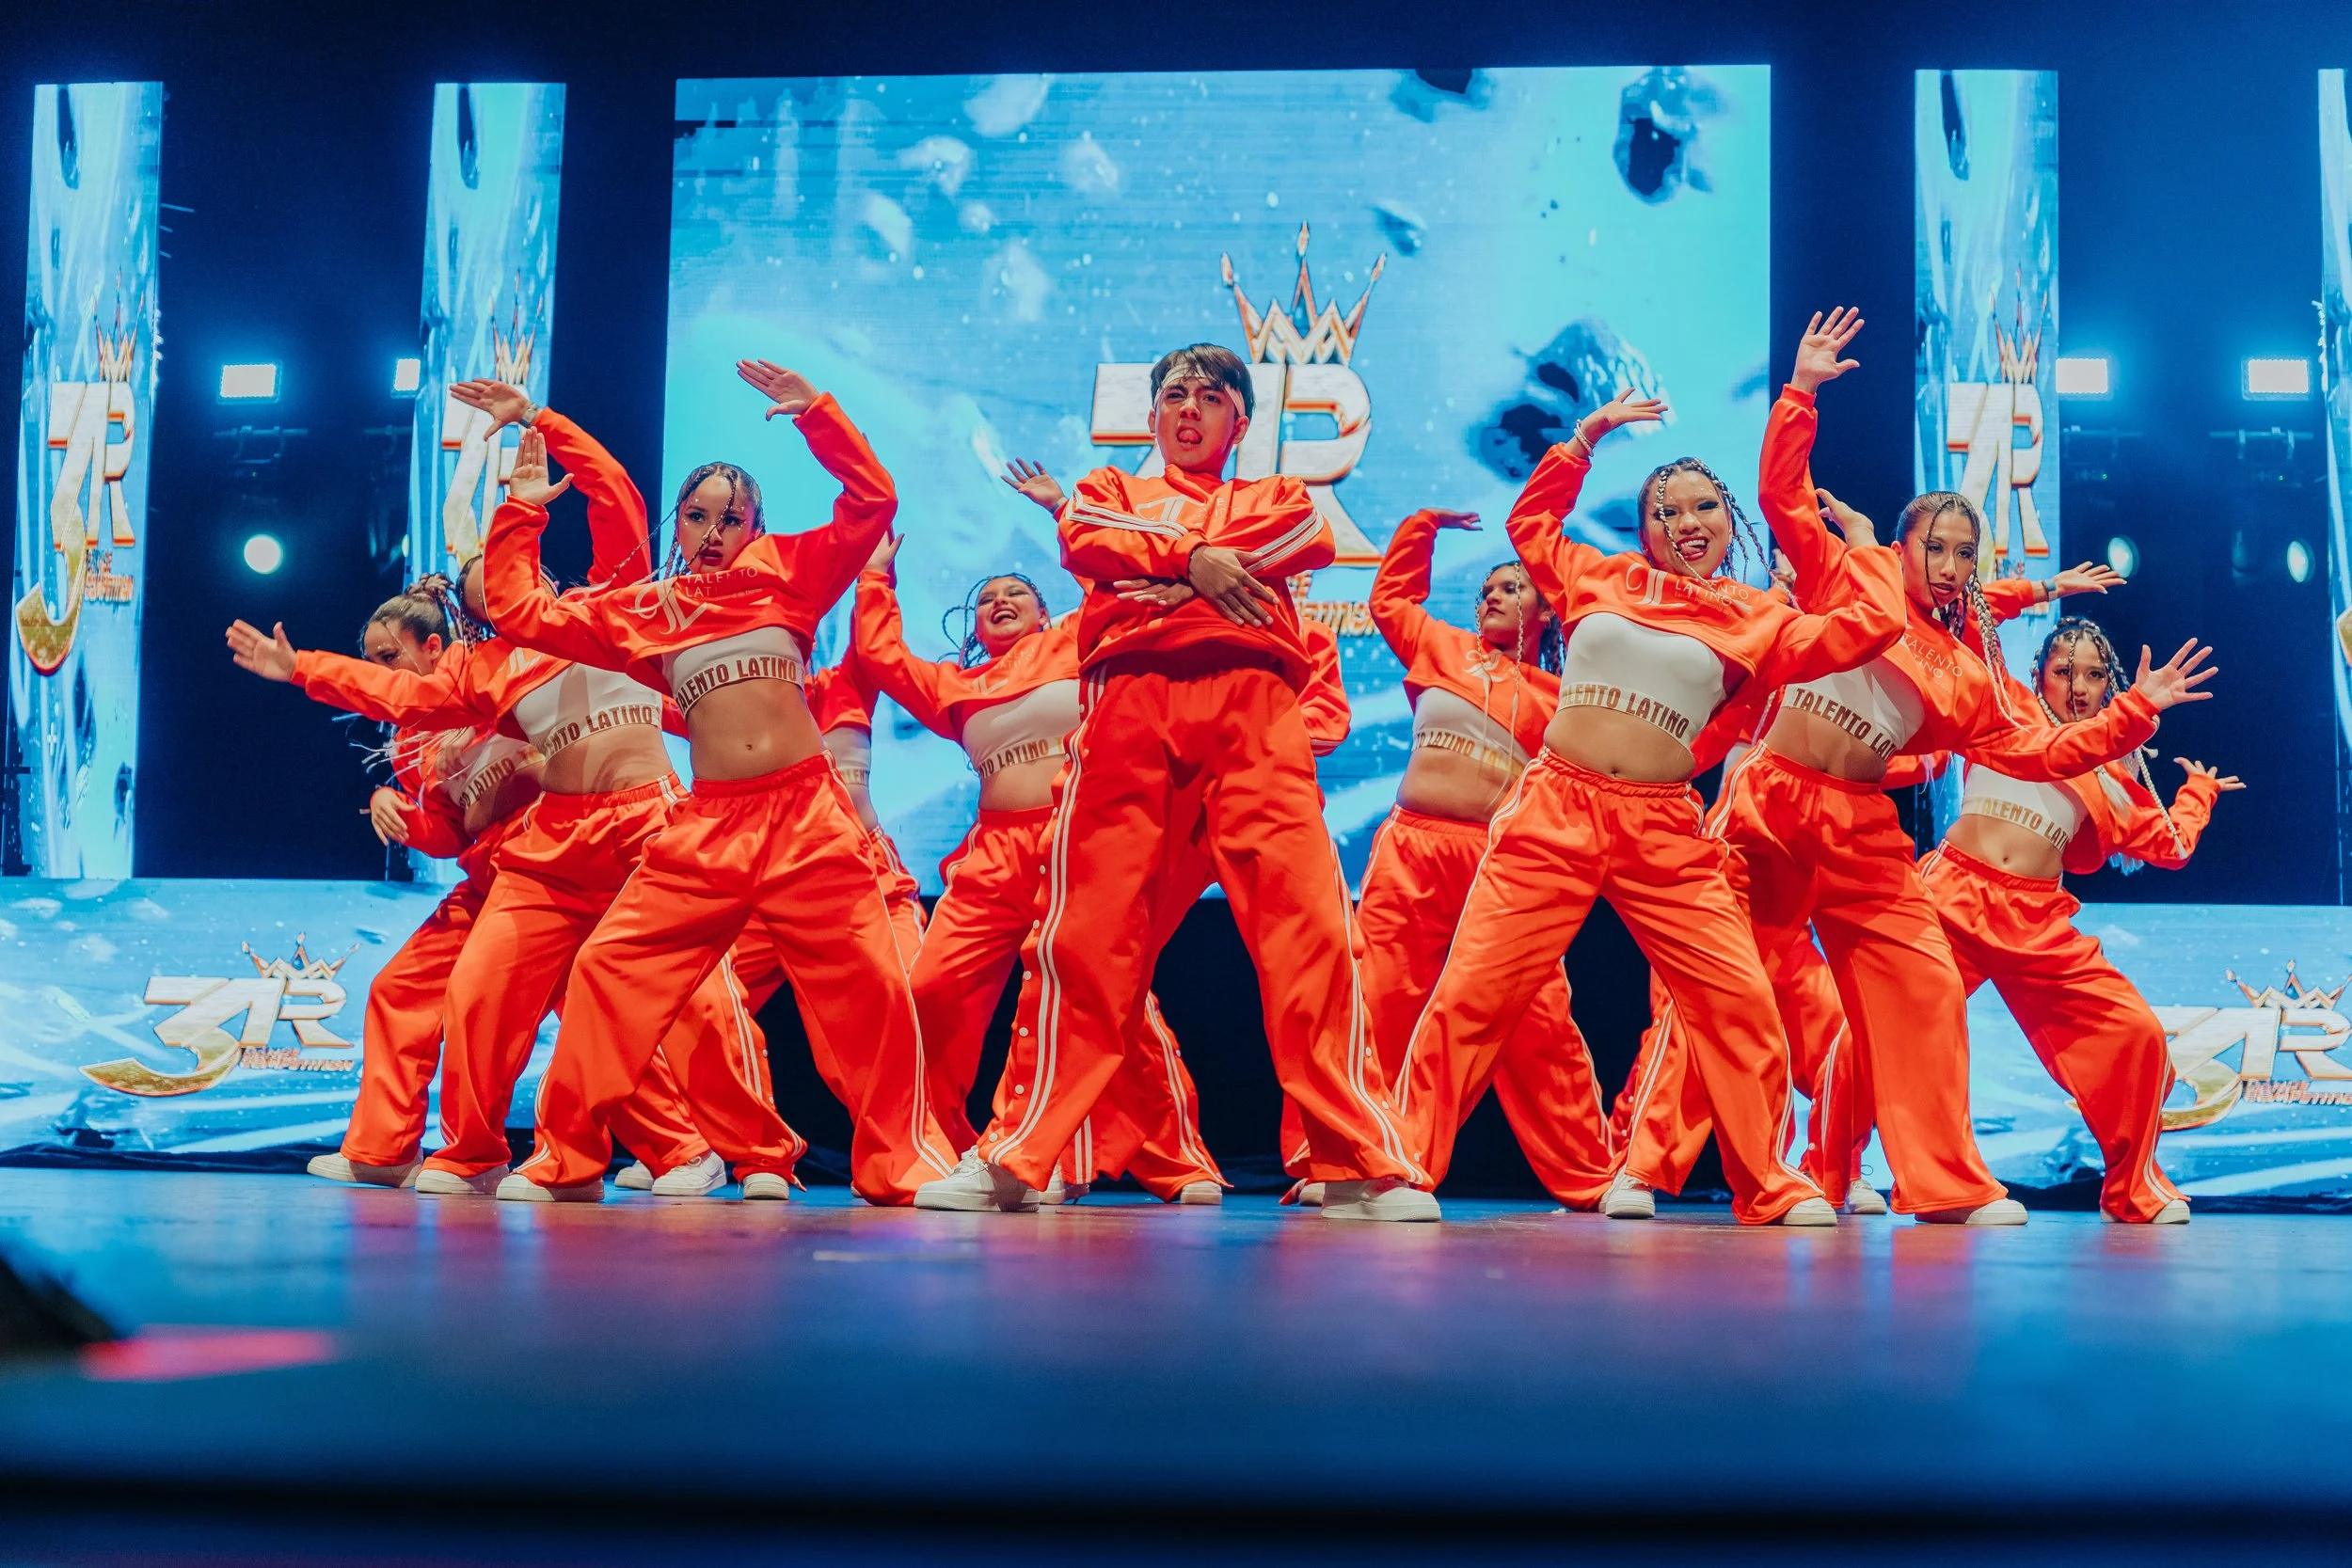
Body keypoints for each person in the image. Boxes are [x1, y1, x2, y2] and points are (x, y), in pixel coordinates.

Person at [1615, 309, 2216, 1225]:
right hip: (1770, 799)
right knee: (1724, 981)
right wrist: (1802, 390)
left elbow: (2034, 749)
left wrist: (2137, 714)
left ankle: (1943, 1183)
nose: (1945, 563)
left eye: (1961, 554)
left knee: (1921, 987)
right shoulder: (1849, 574)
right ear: (1901, 545)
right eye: (1931, 545)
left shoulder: (1965, 672)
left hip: (1858, 826)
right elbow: (1782, 498)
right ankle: (1645, 1167)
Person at [229, 382, 799, 1200]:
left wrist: (542, 422)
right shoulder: (488, 670)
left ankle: (761, 1157)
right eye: (481, 586)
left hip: (647, 827)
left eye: (503, 572)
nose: (491, 589)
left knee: (702, 1002)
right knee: (479, 991)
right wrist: (305, 669)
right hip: (556, 846)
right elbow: (400, 697)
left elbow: (619, 496)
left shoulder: (612, 601)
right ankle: (473, 1154)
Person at [914, 342, 1429, 1220]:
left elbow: (1300, 536)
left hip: (1256, 711)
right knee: (1085, 935)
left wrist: (1151, 575)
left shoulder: (1274, 495)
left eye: (1210, 397)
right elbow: (1083, 533)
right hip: (1128, 707)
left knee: (1308, 934)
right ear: (1152, 416)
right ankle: (1019, 1155)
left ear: (1240, 420)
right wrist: (1200, 563)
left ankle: (1356, 1159)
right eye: (1174, 396)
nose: (1189, 409)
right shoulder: (1108, 490)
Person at [1398, 382, 1913, 1227]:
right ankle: (1407, 1168)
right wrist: (1586, 436)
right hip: (1555, 808)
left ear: (1727, 515)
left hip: (1663, 828)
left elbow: (1868, 629)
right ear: (1647, 530)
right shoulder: (1600, 574)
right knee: (1475, 993)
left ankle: (1768, 1183)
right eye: (1667, 510)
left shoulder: (1758, 619)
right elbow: (1528, 526)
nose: (1687, 521)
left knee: (1740, 1005)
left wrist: (1862, 550)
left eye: (1704, 504)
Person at [480, 360, 957, 1204]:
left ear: (754, 526)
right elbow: (523, 612)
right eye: (697, 515)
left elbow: (872, 501)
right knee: (607, 970)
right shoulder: (649, 610)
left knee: (873, 991)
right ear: (678, 522)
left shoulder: (789, 572)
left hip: (808, 815)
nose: (712, 529)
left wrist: (817, 414)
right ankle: (567, 1158)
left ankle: (902, 1161)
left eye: (730, 517)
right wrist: (521, 509)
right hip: (708, 826)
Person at [849, 527, 1226, 1204]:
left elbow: (1114, 584)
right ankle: (948, 1150)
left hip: (1075, 840)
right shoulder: (956, 686)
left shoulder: (1078, 640)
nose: (998, 600)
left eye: (1015, 592)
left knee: (1109, 1004)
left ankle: (1178, 1160)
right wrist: (876, 574)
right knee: (931, 990)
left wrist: (1064, 516)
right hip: (991, 854)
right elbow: (881, 656)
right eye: (986, 598)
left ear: (1045, 610)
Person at [1914, 611, 2235, 1223]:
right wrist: (2044, 590)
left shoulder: (2113, 775)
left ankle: (2131, 1188)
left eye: (2093, 674)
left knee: (2138, 1034)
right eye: (2064, 671)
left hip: (2035, 917)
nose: (2079, 686)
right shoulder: (2003, 703)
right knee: (1878, 1026)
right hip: (1951, 895)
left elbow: (2169, 843)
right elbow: (1963, 621)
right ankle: (1837, 1170)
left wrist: (2199, 793)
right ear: (2038, 675)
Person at [1357, 506, 1618, 1207]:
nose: (1494, 596)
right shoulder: (1441, 648)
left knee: (1539, 1022)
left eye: (1513, 587)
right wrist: (1419, 526)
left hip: (1503, 864)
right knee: (1378, 1000)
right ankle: (1348, 1160)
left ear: (1546, 606)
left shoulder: (1566, 698)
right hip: (1412, 849)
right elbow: (1390, 600)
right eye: (1487, 590)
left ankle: (1591, 1174)